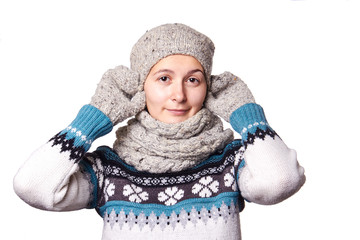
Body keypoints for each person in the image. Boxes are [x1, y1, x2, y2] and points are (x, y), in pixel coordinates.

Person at [13, 23, 305, 240]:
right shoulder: (109, 171)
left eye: (193, 80)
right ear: (141, 87)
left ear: (208, 89)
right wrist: (93, 119)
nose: (178, 94)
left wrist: (247, 116)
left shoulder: (230, 163)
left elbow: (280, 182)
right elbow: (33, 187)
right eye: (164, 78)